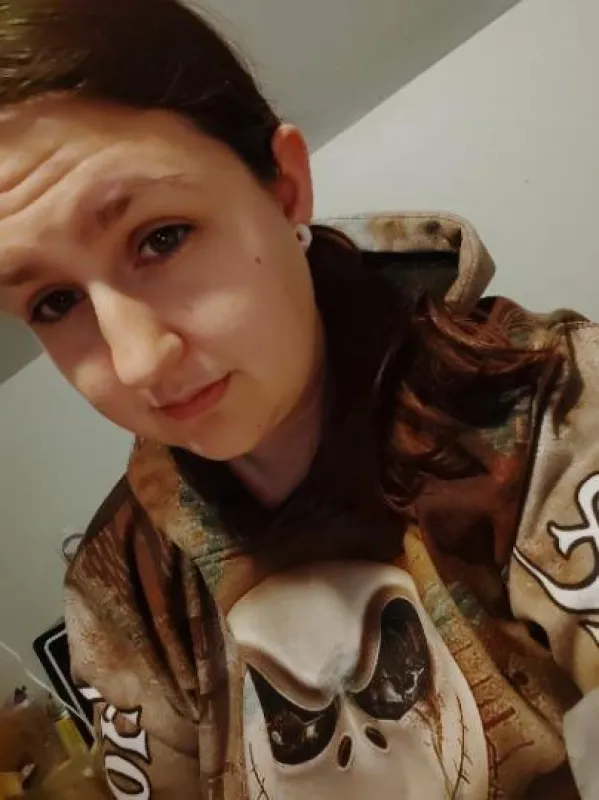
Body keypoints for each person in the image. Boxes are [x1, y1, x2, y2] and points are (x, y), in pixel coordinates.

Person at [0, 0, 596, 797]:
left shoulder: (547, 406)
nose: (138, 362)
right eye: (54, 303)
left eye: (161, 237)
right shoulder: (126, 589)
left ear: (284, 188)